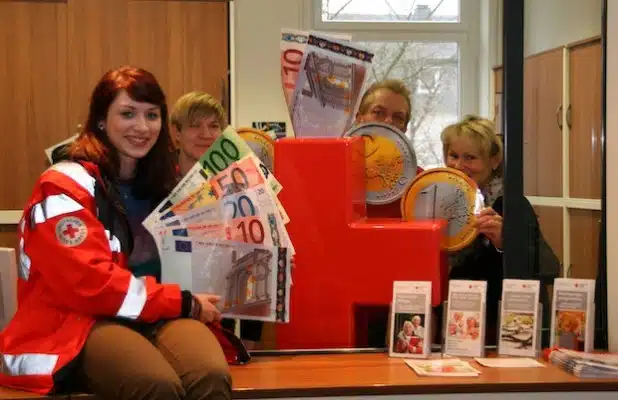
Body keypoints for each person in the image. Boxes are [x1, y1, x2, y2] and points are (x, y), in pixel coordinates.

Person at [0, 67, 235, 399]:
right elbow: (89, 283)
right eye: (127, 114)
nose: (141, 127)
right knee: (156, 386)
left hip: (159, 312)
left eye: (151, 115)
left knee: (211, 376)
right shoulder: (63, 185)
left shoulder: (168, 184)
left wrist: (262, 266)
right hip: (81, 320)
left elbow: (208, 255)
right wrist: (181, 302)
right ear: (100, 120)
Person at [439, 115, 560, 345]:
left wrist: (506, 243)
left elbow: (549, 266)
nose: (458, 165)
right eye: (453, 155)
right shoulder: (440, 201)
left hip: (501, 332)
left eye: (470, 157)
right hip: (455, 326)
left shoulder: (511, 204)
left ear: (494, 161)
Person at [170, 91, 264, 350]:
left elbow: (255, 257)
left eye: (213, 126)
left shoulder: (240, 185)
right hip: (169, 314)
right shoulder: (156, 183)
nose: (205, 134)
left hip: (221, 315)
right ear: (176, 133)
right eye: (194, 125)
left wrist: (249, 342)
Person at [355, 79, 424, 219]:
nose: (388, 121)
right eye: (378, 112)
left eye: (398, 117)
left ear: (404, 128)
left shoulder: (418, 182)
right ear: (359, 118)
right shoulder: (335, 173)